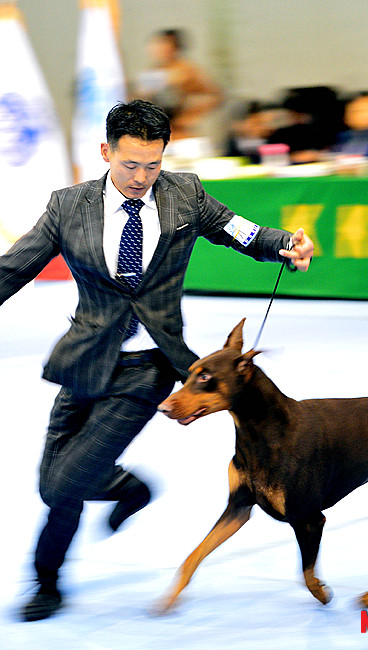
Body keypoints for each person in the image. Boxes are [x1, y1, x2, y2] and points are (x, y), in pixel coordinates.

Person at [0, 99, 313, 621]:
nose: (142, 177)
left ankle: (72, 544)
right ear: (105, 152)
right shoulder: (67, 205)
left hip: (149, 367)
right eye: (130, 164)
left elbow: (240, 231)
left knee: (65, 482)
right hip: (83, 361)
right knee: (54, 487)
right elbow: (14, 268)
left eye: (153, 163)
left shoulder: (184, 195)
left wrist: (286, 245)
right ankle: (63, 565)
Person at [135, 28, 224, 140]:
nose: (156, 48)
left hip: (180, 131)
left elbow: (216, 96)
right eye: (155, 44)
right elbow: (140, 93)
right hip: (159, 129)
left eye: (162, 43)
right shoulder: (153, 70)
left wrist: (188, 117)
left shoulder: (187, 69)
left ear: (174, 46)